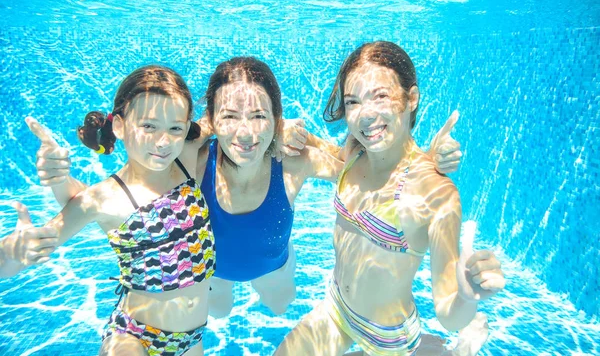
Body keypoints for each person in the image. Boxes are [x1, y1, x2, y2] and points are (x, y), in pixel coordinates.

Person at [29, 57, 462, 320]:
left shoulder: (292, 163)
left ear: (277, 118)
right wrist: (58, 180)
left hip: (275, 268)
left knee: (279, 306)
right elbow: (118, 195)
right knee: (217, 310)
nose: (246, 134)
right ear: (212, 121)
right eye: (231, 117)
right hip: (213, 275)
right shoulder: (192, 160)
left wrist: (424, 158)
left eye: (260, 116)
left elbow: (368, 163)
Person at [274, 42, 505, 356]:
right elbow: (319, 152)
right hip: (337, 308)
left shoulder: (434, 192)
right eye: (353, 102)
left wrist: (467, 294)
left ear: (411, 99)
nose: (365, 115)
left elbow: (448, 313)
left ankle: (462, 348)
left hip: (389, 337)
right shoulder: (355, 151)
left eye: (379, 96)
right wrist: (283, 131)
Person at [1, 65, 215, 356]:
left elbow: (232, 117)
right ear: (119, 126)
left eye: (175, 128)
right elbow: (14, 261)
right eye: (149, 126)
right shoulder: (103, 198)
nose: (163, 141)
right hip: (135, 338)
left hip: (192, 340)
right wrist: (12, 252)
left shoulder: (186, 157)